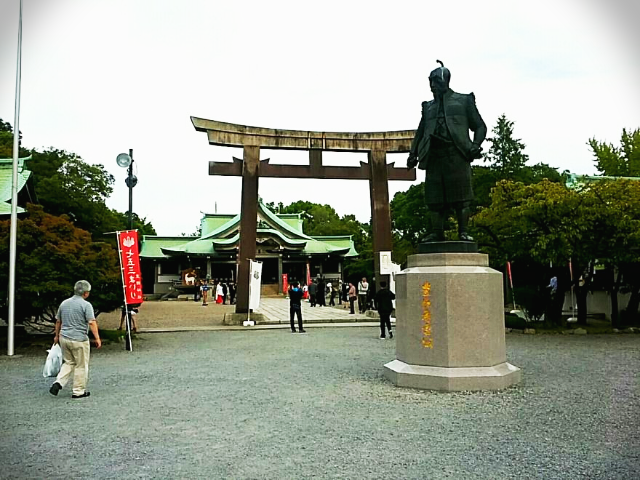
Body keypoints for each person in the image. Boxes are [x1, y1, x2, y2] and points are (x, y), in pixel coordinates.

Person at [407, 60, 487, 242]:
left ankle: (463, 231)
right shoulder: (428, 107)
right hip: (434, 155)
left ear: (445, 81)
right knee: (434, 198)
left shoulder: (464, 100)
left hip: (457, 153)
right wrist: (413, 153)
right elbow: (421, 132)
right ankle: (437, 232)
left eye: (436, 82)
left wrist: (475, 145)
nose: (433, 86)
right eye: (431, 82)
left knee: (461, 197)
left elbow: (480, 126)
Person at [49, 280, 101, 399]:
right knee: (81, 365)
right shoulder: (86, 305)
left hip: (64, 338)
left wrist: (56, 336)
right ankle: (78, 391)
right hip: (79, 339)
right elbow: (91, 322)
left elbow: (58, 321)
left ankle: (58, 382)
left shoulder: (64, 303)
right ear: (86, 293)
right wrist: (97, 338)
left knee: (69, 362)